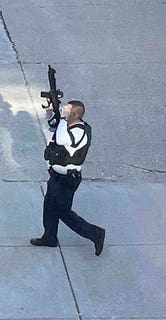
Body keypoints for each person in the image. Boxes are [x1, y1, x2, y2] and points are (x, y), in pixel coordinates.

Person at [30, 100, 106, 256]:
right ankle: (49, 237)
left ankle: (95, 234)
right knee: (49, 206)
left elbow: (62, 139)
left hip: (68, 180)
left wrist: (62, 118)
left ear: (75, 114)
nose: (63, 109)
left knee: (63, 212)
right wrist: (51, 112)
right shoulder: (66, 124)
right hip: (57, 176)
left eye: (66, 109)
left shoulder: (80, 131)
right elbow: (53, 127)